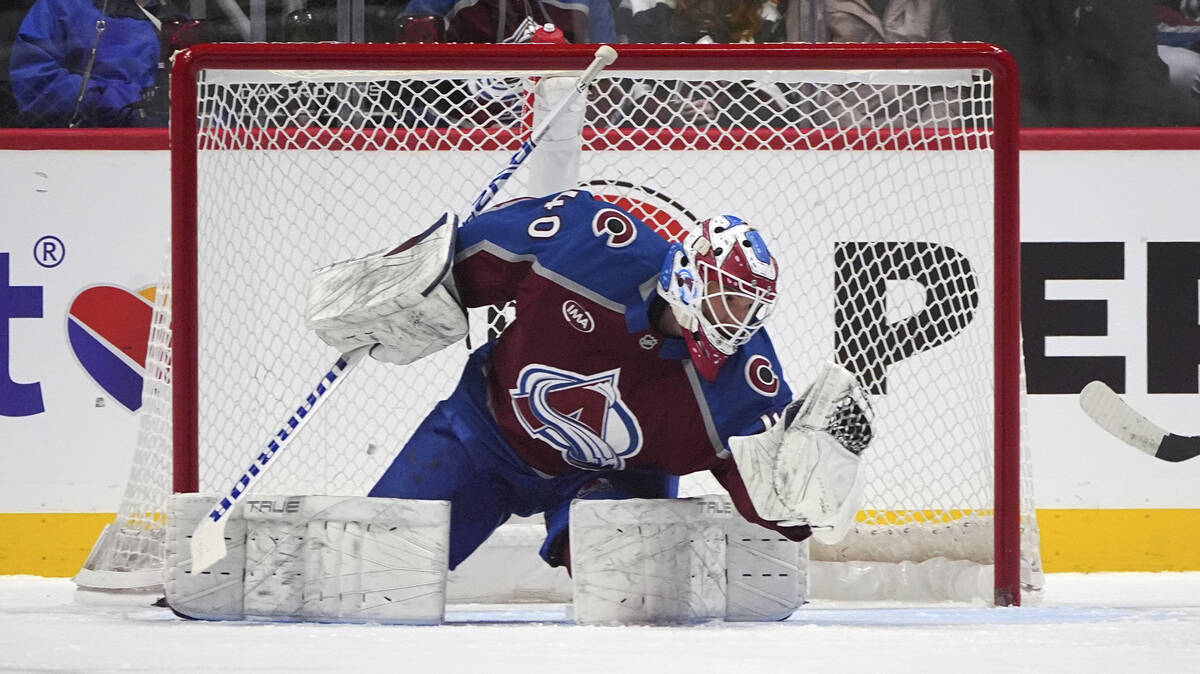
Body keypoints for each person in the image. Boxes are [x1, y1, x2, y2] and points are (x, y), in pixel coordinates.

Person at [306, 190, 872, 573]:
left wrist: (811, 486)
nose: (735, 322)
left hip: (613, 480)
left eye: (749, 309)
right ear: (686, 276)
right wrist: (414, 283)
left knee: (634, 595)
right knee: (370, 572)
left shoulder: (743, 385)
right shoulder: (589, 241)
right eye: (726, 298)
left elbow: (774, 508)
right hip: (483, 435)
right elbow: (467, 255)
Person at [951, 0, 1182, 127]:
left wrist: (1122, 144)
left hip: (1110, 137)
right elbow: (988, 87)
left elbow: (1142, 70)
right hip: (1023, 146)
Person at [8, 0, 187, 127]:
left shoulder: (181, 23)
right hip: (85, 147)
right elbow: (34, 83)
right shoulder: (62, 6)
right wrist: (111, 98)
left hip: (164, 150)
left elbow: (205, 97)